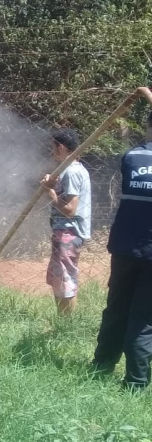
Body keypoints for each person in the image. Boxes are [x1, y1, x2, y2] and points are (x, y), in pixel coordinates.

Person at [91, 112, 152, 390]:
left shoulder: (132, 158)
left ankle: (101, 366)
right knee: (143, 318)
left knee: (116, 308)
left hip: (124, 247)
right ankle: (136, 382)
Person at [39, 128, 91, 315]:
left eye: (53, 147)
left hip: (68, 232)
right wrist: (52, 184)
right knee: (58, 279)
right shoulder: (69, 170)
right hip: (63, 232)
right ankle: (62, 321)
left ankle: (68, 325)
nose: (52, 151)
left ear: (60, 146)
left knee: (65, 279)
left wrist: (50, 193)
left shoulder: (71, 171)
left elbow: (70, 209)